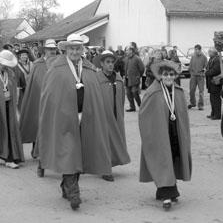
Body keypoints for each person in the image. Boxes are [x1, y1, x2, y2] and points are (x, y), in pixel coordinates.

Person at [36, 34, 111, 210]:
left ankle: (66, 185)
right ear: (66, 49)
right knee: (69, 151)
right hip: (63, 118)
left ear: (82, 50)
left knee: (80, 154)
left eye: (78, 48)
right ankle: (73, 192)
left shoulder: (89, 69)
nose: (75, 51)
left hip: (86, 118)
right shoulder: (56, 69)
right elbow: (49, 96)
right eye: (72, 48)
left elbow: (96, 94)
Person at [139, 60, 192, 210]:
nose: (168, 77)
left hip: (175, 131)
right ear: (160, 75)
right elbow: (144, 115)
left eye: (171, 74)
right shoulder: (153, 92)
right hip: (159, 133)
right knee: (162, 159)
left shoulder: (179, 92)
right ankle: (167, 195)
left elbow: (183, 115)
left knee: (173, 158)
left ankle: (165, 188)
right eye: (165, 74)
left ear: (175, 76)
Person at [20, 39, 55, 177]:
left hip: (54, 101)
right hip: (40, 100)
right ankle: (40, 157)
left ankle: (47, 157)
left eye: (54, 49)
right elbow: (33, 82)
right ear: (44, 50)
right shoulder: (37, 64)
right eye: (50, 49)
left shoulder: (59, 63)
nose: (52, 51)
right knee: (39, 127)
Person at [97, 51, 131, 182]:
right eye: (107, 62)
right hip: (103, 116)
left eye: (112, 62)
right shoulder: (97, 79)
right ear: (102, 64)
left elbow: (122, 98)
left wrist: (120, 115)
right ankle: (105, 169)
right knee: (104, 141)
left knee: (115, 140)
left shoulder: (118, 79)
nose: (110, 65)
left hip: (116, 115)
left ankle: (110, 164)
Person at [124, 46, 145, 112]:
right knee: (128, 94)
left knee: (135, 93)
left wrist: (138, 76)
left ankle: (141, 106)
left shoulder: (137, 58)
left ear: (131, 51)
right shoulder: (126, 58)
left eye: (127, 50)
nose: (126, 51)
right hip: (127, 79)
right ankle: (132, 107)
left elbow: (142, 68)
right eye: (126, 50)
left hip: (135, 79)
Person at [205, 48, 223, 120]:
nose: (208, 53)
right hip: (211, 82)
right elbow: (209, 68)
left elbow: (216, 70)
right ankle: (213, 113)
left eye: (210, 52)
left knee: (216, 99)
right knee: (212, 99)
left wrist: (206, 73)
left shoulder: (217, 59)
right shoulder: (212, 59)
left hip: (215, 82)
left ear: (214, 53)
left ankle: (217, 115)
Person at [188, 44, 208, 110]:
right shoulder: (193, 57)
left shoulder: (204, 57)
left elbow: (206, 67)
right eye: (195, 50)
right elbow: (190, 66)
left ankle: (200, 105)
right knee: (191, 90)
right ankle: (192, 103)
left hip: (200, 77)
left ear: (200, 50)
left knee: (201, 92)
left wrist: (204, 70)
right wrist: (191, 72)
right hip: (193, 76)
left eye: (197, 50)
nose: (196, 51)